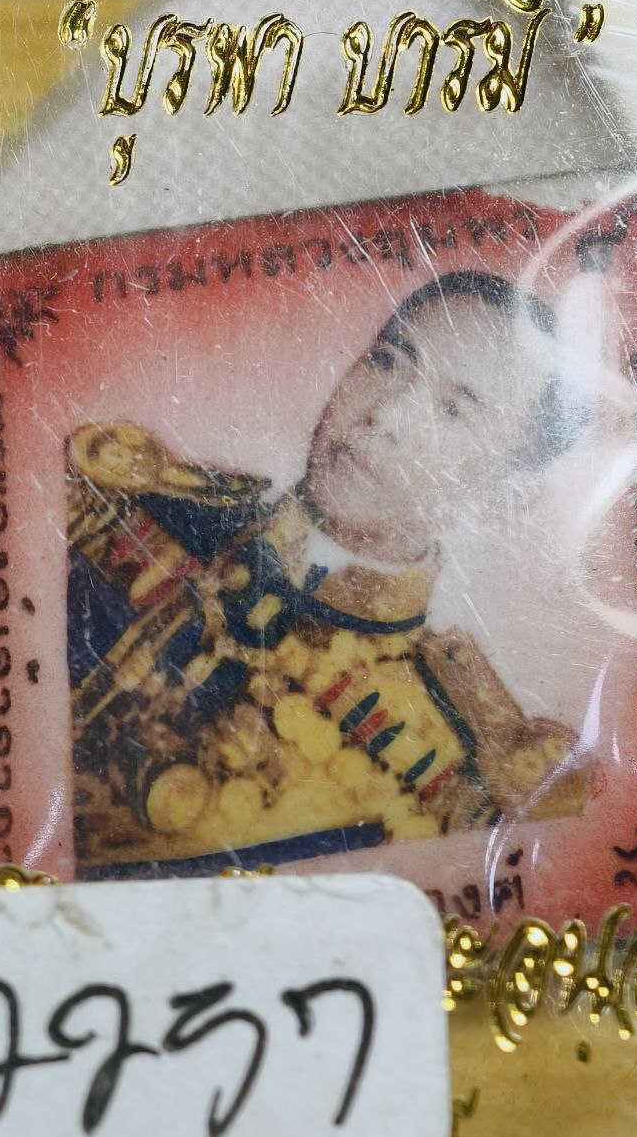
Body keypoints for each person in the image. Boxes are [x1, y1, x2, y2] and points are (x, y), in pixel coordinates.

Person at [65, 271, 589, 875]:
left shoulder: (439, 754)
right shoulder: (145, 508)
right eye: (387, 363)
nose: (385, 414)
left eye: (452, 411)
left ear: (497, 501)